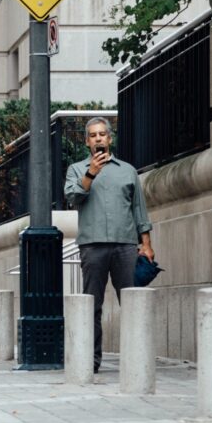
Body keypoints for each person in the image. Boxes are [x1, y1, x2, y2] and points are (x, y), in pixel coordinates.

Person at [64, 117, 154, 374]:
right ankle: (91, 360)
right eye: (93, 135)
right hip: (92, 246)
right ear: (86, 141)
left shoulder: (127, 170)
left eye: (102, 134)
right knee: (92, 304)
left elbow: (139, 209)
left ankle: (137, 357)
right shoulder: (77, 169)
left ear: (110, 138)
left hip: (125, 244)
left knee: (132, 302)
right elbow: (72, 197)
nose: (98, 138)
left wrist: (146, 244)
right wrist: (91, 173)